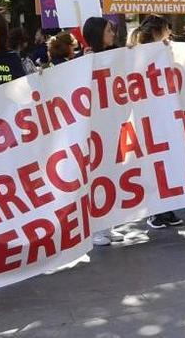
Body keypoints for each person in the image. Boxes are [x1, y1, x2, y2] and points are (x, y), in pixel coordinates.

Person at [126, 15, 185, 228]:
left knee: (168, 162)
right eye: (166, 29)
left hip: (165, 114)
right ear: (158, 31)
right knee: (154, 163)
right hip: (148, 115)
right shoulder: (137, 54)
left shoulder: (164, 50)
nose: (170, 33)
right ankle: (154, 211)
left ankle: (168, 208)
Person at [80, 17, 126, 246]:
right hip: (94, 128)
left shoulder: (116, 55)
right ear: (98, 33)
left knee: (113, 175)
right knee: (97, 178)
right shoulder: (84, 61)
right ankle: (95, 229)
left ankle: (108, 226)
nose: (113, 33)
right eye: (109, 30)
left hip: (113, 124)